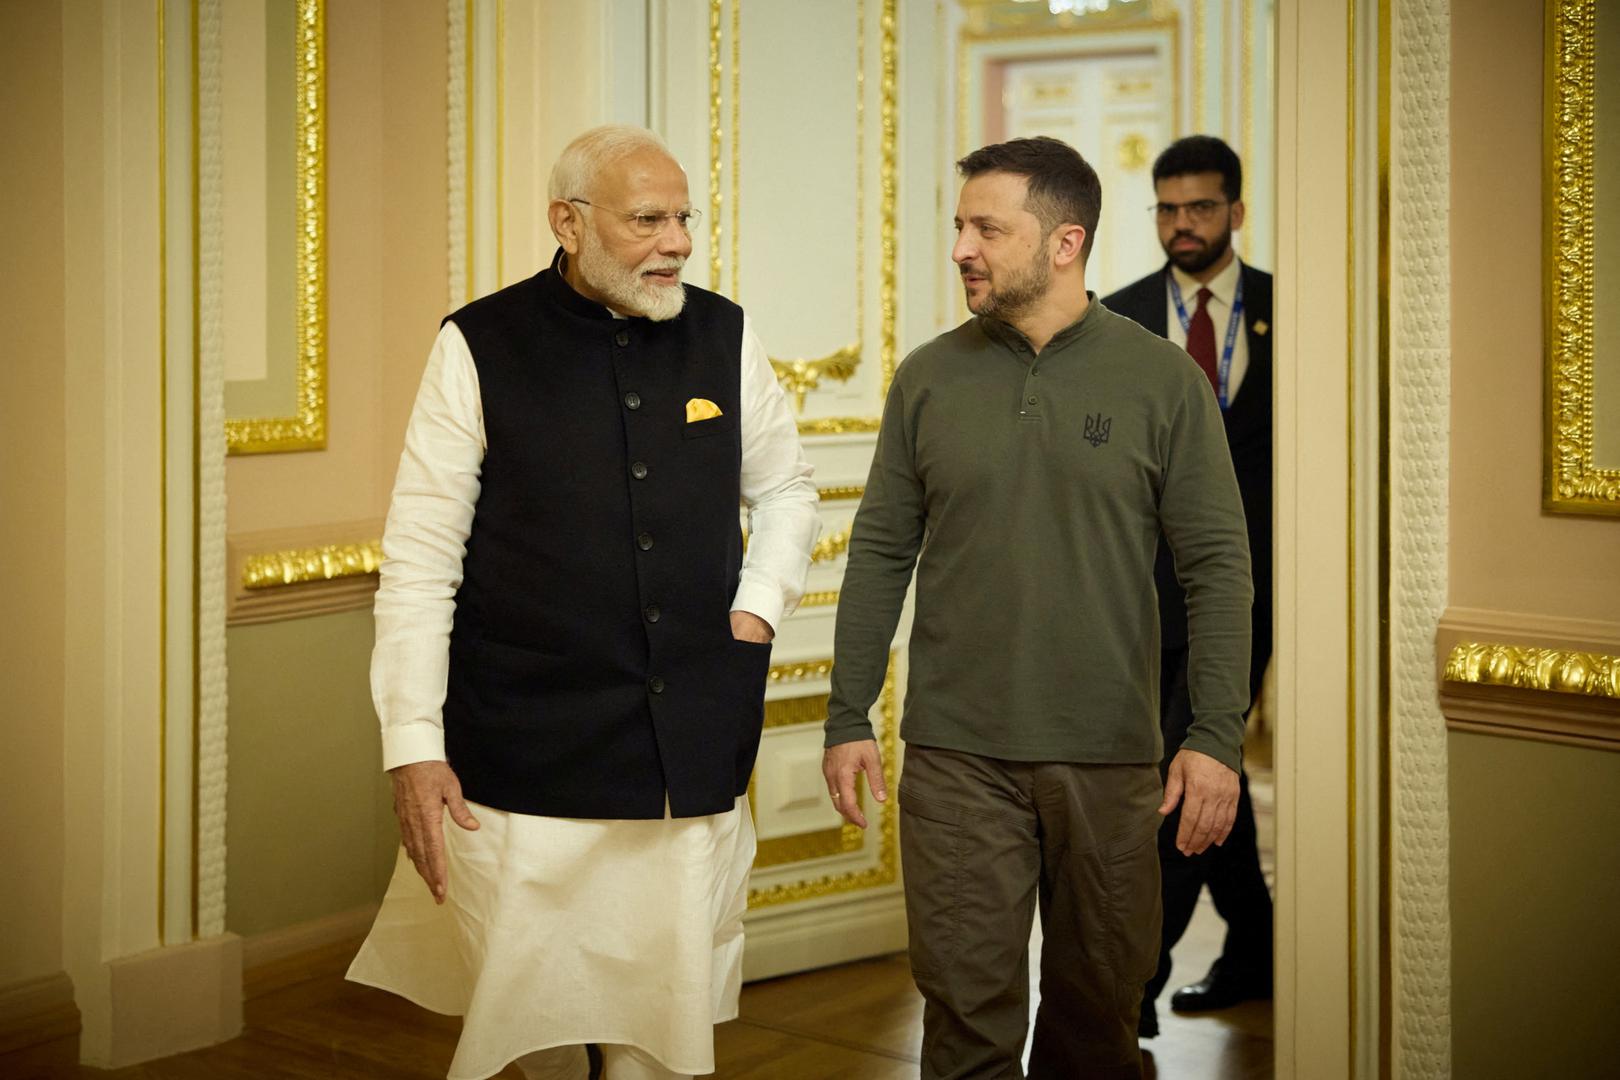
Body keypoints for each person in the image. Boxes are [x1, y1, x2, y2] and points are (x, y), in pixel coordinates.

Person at [346, 125, 819, 1080]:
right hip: (523, 753)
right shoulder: (477, 345)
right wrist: (413, 744)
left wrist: (757, 606)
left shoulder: (725, 333)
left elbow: (790, 489)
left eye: (683, 217)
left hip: (684, 745)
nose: (677, 241)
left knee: (664, 1022)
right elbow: (421, 559)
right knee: (533, 1025)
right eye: (648, 219)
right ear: (568, 223)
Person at [822, 136, 1254, 1080]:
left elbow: (1218, 567)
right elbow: (882, 548)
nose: (961, 248)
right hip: (955, 760)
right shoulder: (928, 378)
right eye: (959, 226)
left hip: (1108, 760)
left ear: (1066, 243)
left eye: (987, 227)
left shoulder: (1163, 382)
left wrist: (1217, 734)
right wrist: (847, 713)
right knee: (965, 1026)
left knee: (1096, 1029)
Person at [1102, 134, 1275, 1039]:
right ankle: (1260, 944)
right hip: (1145, 588)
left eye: (1200, 208)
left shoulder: (1289, 311)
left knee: (1190, 762)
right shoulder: (1120, 316)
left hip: (1262, 587)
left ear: (1235, 212)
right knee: (1209, 764)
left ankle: (1138, 982)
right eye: (1166, 209)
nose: (1181, 225)